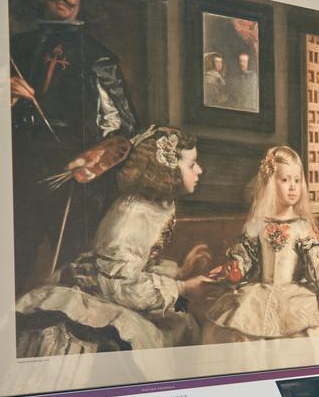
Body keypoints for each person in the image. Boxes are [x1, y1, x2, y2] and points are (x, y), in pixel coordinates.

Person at [15, 126, 215, 356]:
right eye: (191, 164)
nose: (199, 170)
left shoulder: (158, 205)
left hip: (116, 291)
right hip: (97, 300)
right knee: (169, 333)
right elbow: (119, 284)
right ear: (167, 168)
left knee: (184, 326)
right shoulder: (134, 214)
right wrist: (182, 288)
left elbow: (135, 264)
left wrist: (180, 272)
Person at [9, 0, 140, 297]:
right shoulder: (14, 47)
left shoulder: (98, 56)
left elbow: (124, 128)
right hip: (18, 171)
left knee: (71, 273)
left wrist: (91, 160)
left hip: (74, 181)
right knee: (13, 263)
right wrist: (4, 96)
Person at [203, 146, 319, 343]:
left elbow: (317, 261)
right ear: (270, 184)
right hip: (260, 293)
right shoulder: (257, 224)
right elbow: (245, 256)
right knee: (238, 329)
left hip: (294, 295)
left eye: (297, 180)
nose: (293, 187)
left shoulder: (302, 226)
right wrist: (237, 269)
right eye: (285, 180)